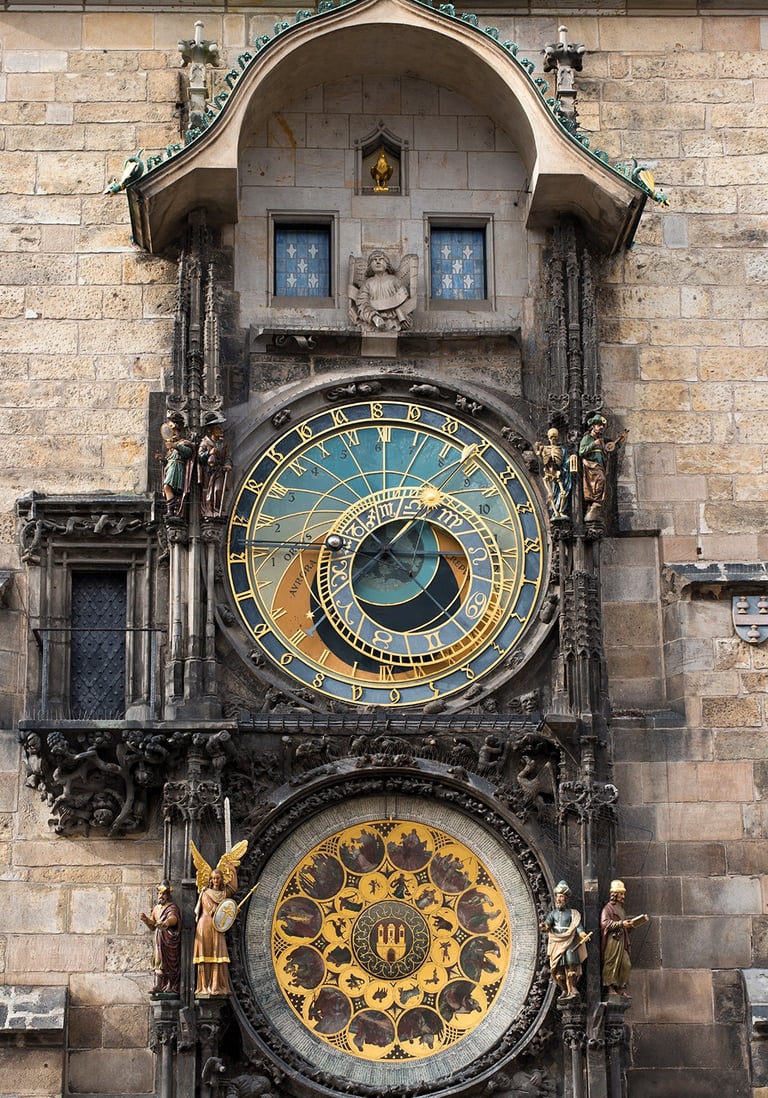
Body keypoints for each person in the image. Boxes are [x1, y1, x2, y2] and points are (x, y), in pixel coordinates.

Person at [540, 881, 590, 1000]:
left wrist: (582, 933)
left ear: (566, 899)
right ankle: (563, 989)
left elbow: (577, 925)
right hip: (557, 941)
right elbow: (548, 924)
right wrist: (544, 926)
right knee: (558, 967)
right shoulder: (553, 914)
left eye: (561, 897)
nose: (559, 899)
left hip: (570, 940)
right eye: (558, 896)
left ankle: (572, 987)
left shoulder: (572, 913)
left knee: (571, 963)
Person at [600, 879, 648, 1002]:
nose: (623, 896)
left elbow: (623, 925)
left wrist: (630, 925)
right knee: (611, 963)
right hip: (613, 941)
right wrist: (622, 923)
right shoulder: (608, 908)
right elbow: (604, 923)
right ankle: (610, 987)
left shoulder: (621, 909)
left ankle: (621, 988)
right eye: (621, 894)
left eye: (623, 894)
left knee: (626, 964)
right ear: (615, 895)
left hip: (622, 940)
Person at [193, 865, 238, 997]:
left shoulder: (223, 893)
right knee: (205, 955)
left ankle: (217, 985)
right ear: (210, 880)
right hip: (206, 924)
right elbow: (212, 910)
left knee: (219, 955)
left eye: (218, 878)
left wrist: (233, 871)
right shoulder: (205, 893)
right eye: (213, 878)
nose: (215, 880)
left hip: (218, 927)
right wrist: (226, 912)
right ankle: (204, 987)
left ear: (221, 879)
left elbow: (233, 888)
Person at [578, 414, 627, 522]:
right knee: (600, 480)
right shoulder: (588, 438)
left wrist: (620, 442)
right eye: (599, 425)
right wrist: (593, 444)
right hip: (591, 466)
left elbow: (609, 449)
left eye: (602, 426)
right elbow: (581, 451)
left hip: (601, 466)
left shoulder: (601, 440)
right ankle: (594, 502)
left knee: (601, 482)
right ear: (593, 426)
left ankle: (596, 504)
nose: (601, 427)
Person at [353, 250, 413, 333]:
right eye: (374, 260)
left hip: (393, 322)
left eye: (381, 259)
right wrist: (374, 317)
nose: (377, 262)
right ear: (370, 265)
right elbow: (362, 303)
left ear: (386, 264)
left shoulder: (394, 281)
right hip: (373, 322)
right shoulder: (367, 283)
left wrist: (405, 318)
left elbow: (403, 301)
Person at [140, 880, 181, 995]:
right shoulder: (156, 909)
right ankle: (158, 985)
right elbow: (153, 926)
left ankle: (171, 985)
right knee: (158, 962)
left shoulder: (172, 907)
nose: (161, 896)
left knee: (169, 963)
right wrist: (146, 920)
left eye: (163, 894)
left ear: (168, 895)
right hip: (158, 939)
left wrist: (166, 923)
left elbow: (174, 918)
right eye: (159, 894)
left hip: (168, 939)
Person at [197, 413, 232, 519]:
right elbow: (199, 457)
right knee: (209, 491)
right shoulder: (205, 443)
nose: (221, 430)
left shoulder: (223, 444)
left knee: (218, 489)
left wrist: (228, 464)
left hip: (219, 470)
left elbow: (227, 457)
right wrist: (209, 453)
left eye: (221, 428)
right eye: (218, 428)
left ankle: (217, 509)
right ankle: (209, 510)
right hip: (209, 471)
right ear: (210, 430)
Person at [159, 412, 194, 516]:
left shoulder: (183, 443)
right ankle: (171, 510)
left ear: (180, 432)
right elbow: (168, 460)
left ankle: (171, 510)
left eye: (175, 431)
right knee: (167, 488)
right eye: (172, 432)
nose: (173, 434)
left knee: (167, 487)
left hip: (177, 468)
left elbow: (188, 452)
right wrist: (162, 459)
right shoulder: (171, 448)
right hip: (171, 467)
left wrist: (175, 446)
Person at [535, 427, 572, 519]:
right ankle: (555, 512)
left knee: (563, 493)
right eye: (552, 437)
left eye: (555, 437)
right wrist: (538, 448)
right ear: (548, 438)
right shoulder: (545, 448)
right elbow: (539, 454)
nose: (553, 439)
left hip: (558, 473)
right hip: (548, 474)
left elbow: (565, 461)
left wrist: (571, 460)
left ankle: (560, 511)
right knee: (551, 494)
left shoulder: (561, 449)